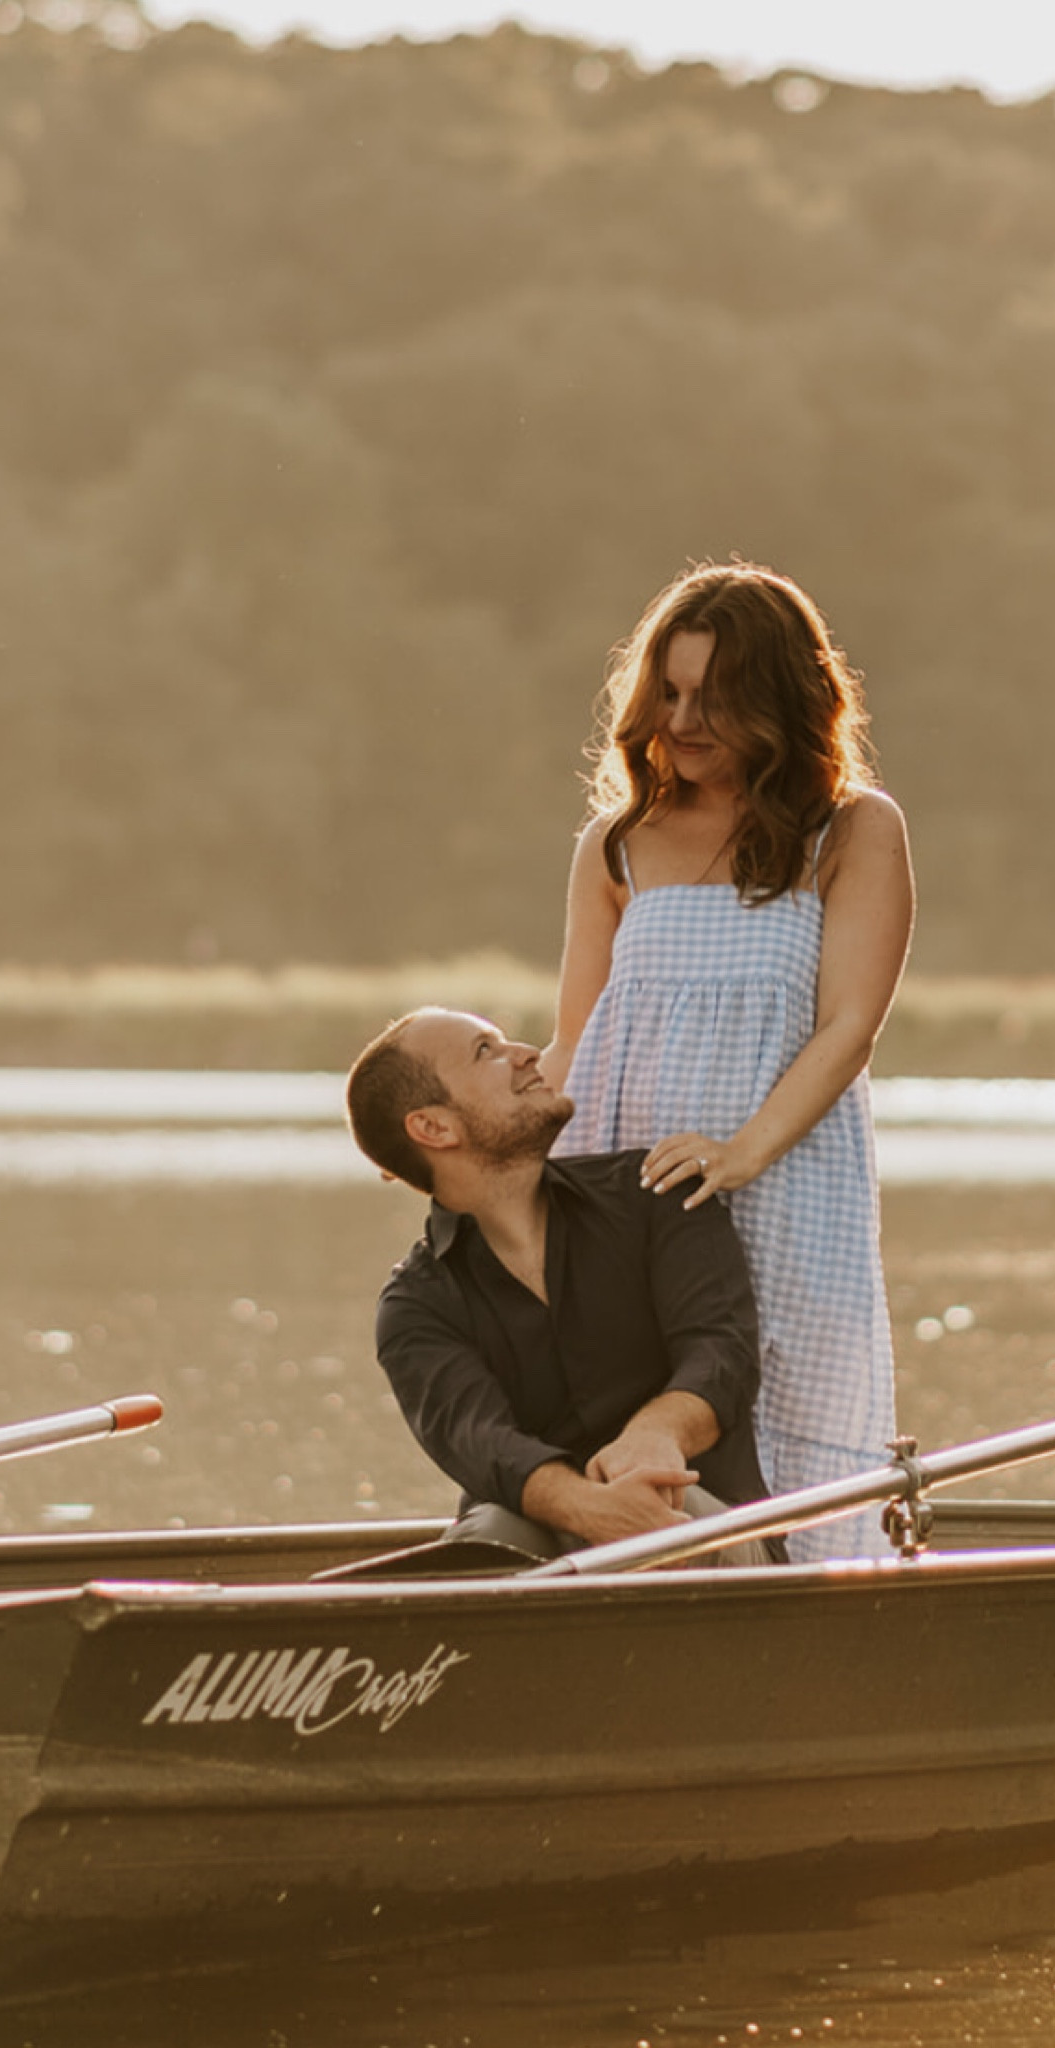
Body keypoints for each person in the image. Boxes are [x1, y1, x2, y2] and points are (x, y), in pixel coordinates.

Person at [539, 561, 914, 1562]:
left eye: (716, 693)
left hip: (783, 1177)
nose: (685, 716)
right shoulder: (615, 844)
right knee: (634, 1403)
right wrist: (496, 1169)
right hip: (635, 1184)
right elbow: (574, 1038)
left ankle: (808, 1618)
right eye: (670, 689)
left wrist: (743, 1153)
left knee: (786, 1414)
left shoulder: (853, 829)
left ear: (784, 698)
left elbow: (848, 1027)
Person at [344, 1006, 780, 1562]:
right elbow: (482, 1443)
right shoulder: (414, 1307)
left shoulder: (656, 1194)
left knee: (672, 1511)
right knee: (493, 1538)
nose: (526, 1054)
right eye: (486, 1052)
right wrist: (589, 1508)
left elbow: (723, 1352)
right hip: (534, 1545)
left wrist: (656, 1434)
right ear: (434, 1127)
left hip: (704, 1531)